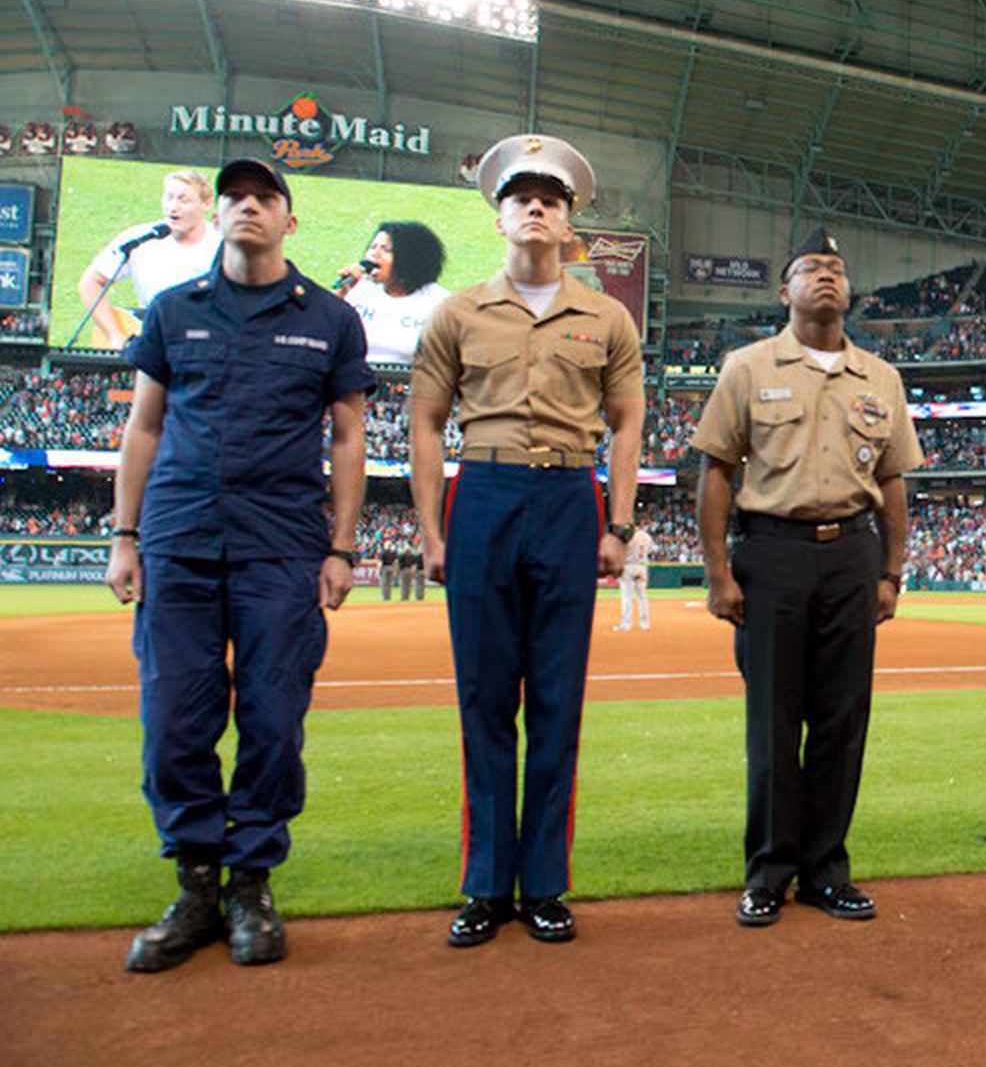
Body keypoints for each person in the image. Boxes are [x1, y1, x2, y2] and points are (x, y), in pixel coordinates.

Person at [105, 157, 371, 971]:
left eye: (264, 199)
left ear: (290, 221)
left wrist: (342, 546)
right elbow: (143, 428)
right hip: (179, 539)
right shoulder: (171, 310)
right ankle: (194, 884)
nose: (247, 208)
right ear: (217, 217)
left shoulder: (328, 318)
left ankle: (251, 882)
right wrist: (124, 535)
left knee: (271, 716)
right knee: (174, 720)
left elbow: (349, 436)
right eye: (235, 199)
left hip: (284, 545)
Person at [409, 134, 645, 948]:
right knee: (483, 699)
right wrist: (433, 530)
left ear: (570, 219)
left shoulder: (607, 316)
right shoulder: (458, 312)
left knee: (555, 700)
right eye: (520, 197)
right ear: (500, 215)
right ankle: (485, 886)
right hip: (485, 489)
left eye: (550, 198)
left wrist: (618, 523)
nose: (535, 207)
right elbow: (427, 423)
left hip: (569, 495)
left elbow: (626, 424)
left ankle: (543, 883)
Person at [692, 226, 922, 928]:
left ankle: (826, 870)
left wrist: (891, 573)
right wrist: (718, 572)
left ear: (848, 291)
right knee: (772, 722)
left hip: (852, 553)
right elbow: (716, 473)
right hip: (773, 552)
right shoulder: (747, 367)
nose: (826, 276)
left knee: (841, 721)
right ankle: (767, 870)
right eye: (810, 268)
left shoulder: (881, 378)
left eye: (836, 268)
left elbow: (892, 484)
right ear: (784, 290)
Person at [77, 168, 220, 348]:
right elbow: (91, 283)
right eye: (169, 198)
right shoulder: (140, 238)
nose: (173, 206)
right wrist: (114, 335)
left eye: (184, 200)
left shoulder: (225, 245)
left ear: (206, 204)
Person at [333, 221, 451, 366]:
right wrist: (338, 297)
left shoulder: (439, 302)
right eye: (373, 247)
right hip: (355, 380)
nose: (374, 254)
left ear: (411, 259)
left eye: (386, 250)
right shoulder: (357, 290)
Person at [612, 522, 655, 631]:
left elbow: (620, 551)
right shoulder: (646, 536)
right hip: (641, 567)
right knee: (642, 598)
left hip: (628, 566)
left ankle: (626, 624)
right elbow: (650, 550)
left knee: (626, 597)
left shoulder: (627, 535)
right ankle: (645, 625)